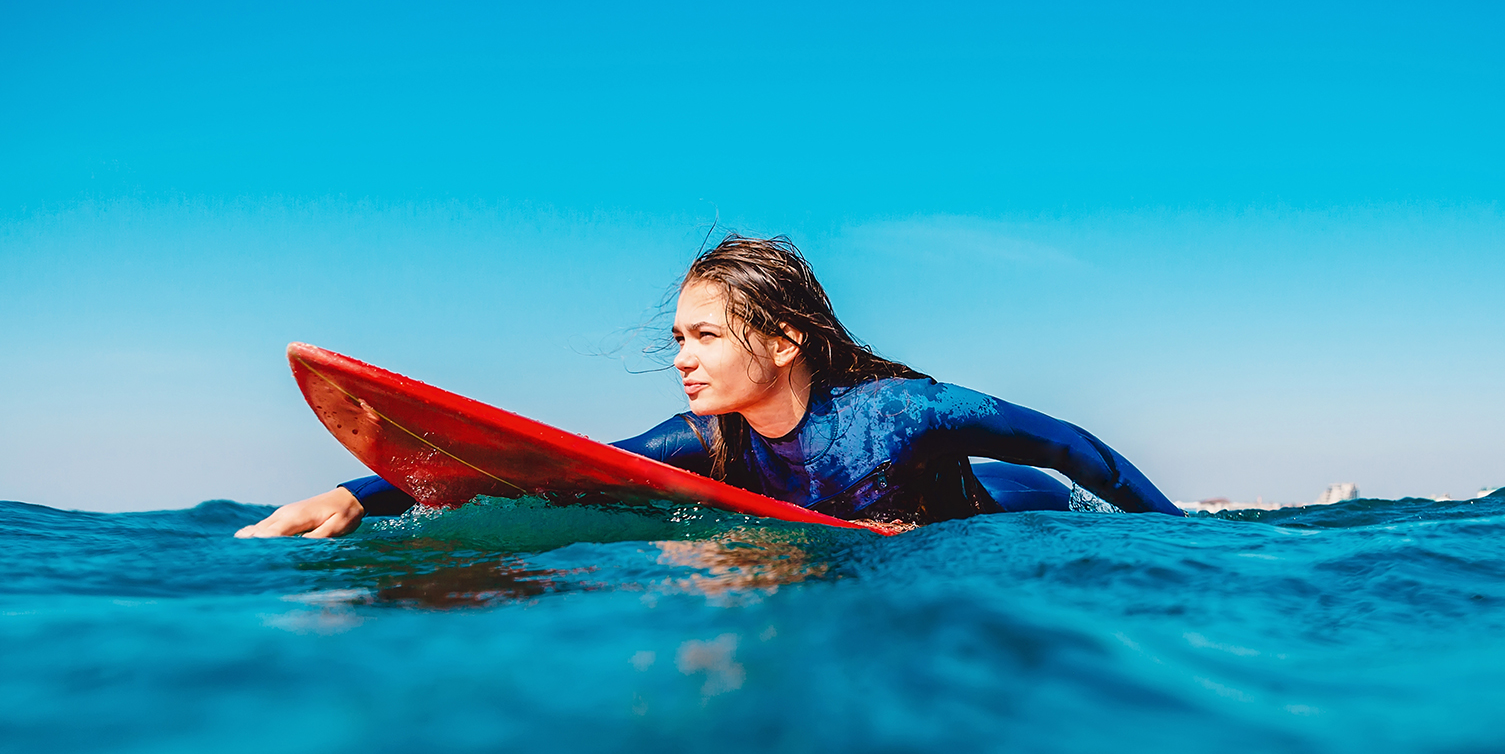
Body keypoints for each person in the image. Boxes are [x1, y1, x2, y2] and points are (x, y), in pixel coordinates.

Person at [235, 235, 1181, 537]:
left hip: (1012, 508)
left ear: (781, 342)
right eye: (675, 337)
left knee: (1036, 487)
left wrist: (1179, 544)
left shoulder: (901, 414)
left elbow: (1069, 445)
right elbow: (546, 473)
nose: (681, 356)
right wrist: (353, 491)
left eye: (702, 336)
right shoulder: (704, 439)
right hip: (851, 537)